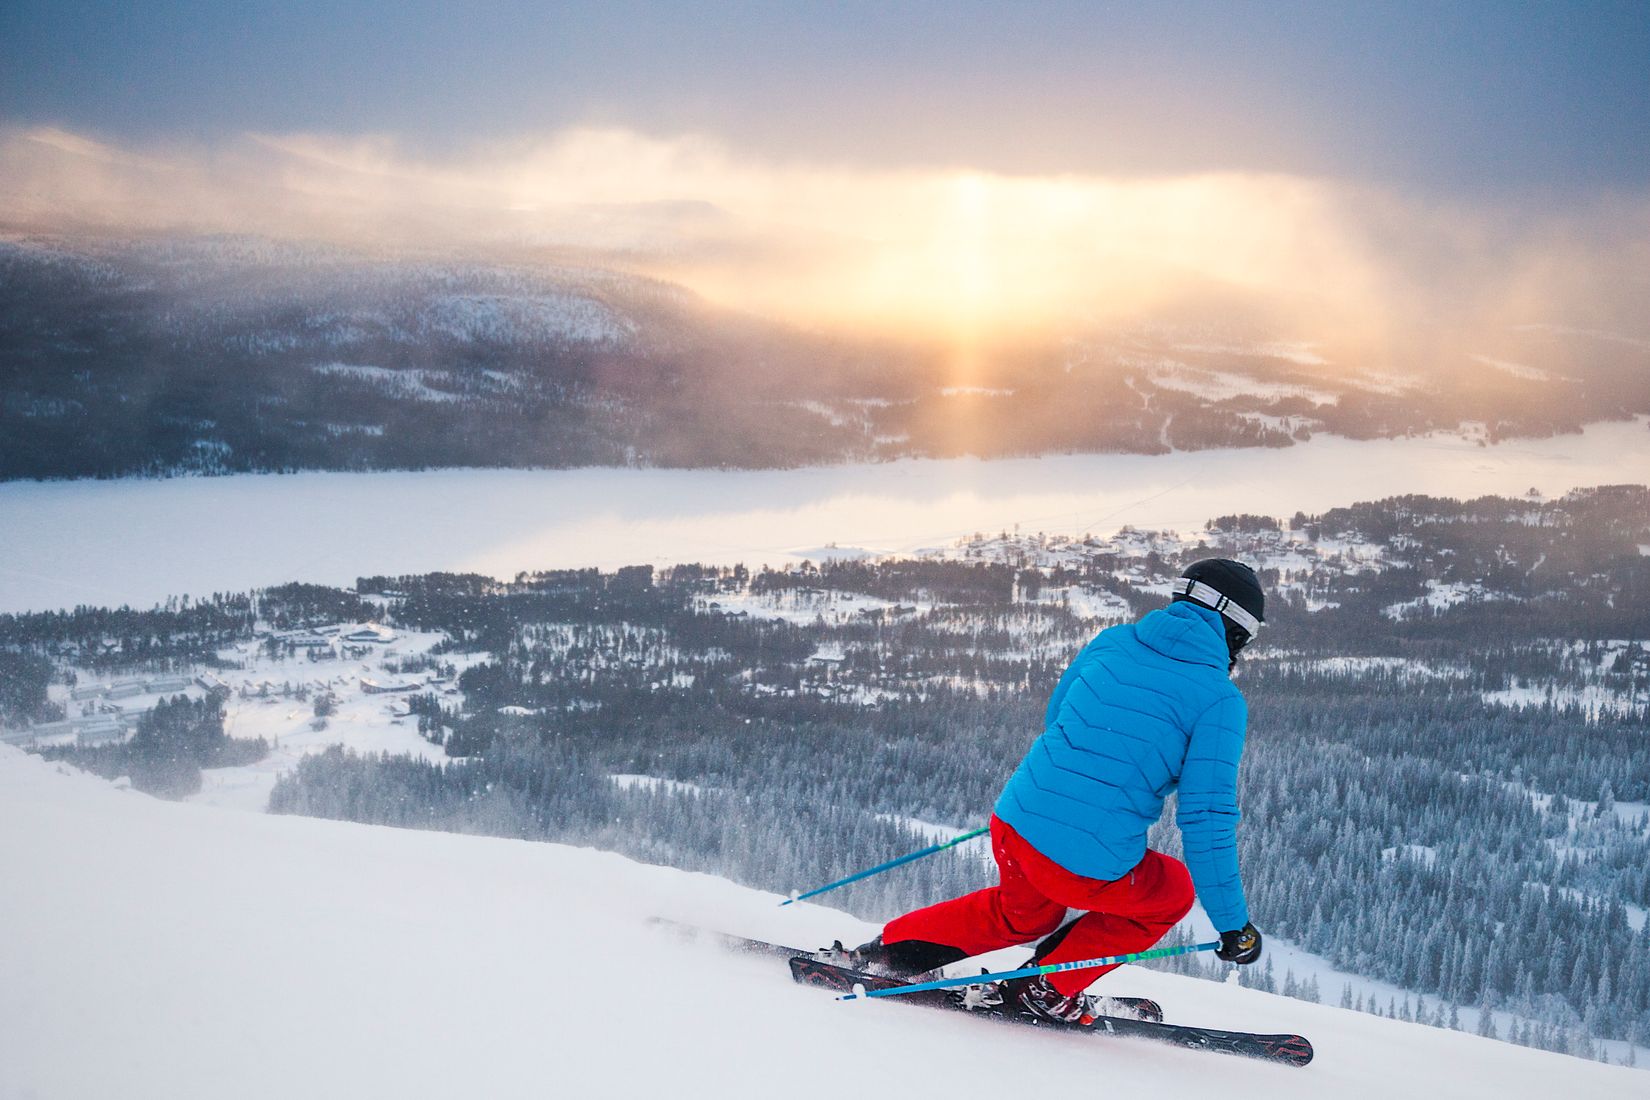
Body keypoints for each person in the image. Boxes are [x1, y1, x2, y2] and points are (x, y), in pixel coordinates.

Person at [833, 558, 1267, 1022]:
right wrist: (1232, 925)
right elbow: (1206, 820)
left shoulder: (1114, 642)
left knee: (1025, 915)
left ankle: (887, 956)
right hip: (1080, 863)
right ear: (1235, 631)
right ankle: (1043, 988)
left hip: (1014, 824)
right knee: (1172, 891)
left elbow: (1059, 718)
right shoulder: (1219, 700)